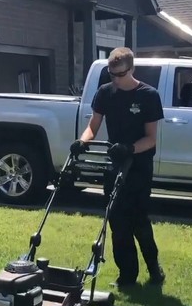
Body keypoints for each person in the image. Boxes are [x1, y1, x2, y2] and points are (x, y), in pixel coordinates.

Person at [70, 47, 166, 287]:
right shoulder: (105, 93)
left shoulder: (148, 95)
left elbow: (151, 138)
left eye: (120, 75)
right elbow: (93, 124)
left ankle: (154, 269)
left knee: (139, 221)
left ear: (131, 69)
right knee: (117, 222)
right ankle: (127, 276)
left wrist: (129, 148)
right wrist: (82, 141)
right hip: (115, 165)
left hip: (139, 165)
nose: (116, 79)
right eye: (112, 75)